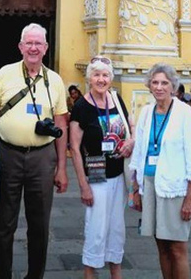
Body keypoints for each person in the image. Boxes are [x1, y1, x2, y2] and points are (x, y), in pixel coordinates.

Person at [0, 23, 69, 279]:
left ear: (45, 48)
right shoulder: (5, 74)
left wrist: (61, 169)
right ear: (20, 46)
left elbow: (61, 123)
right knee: (3, 223)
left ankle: (35, 276)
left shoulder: (54, 80)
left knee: (40, 224)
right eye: (28, 43)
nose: (33, 48)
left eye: (38, 43)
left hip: (42, 158)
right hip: (7, 155)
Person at [129, 64, 191, 279]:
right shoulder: (146, 112)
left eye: (164, 83)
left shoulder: (184, 113)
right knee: (161, 245)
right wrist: (136, 188)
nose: (159, 87)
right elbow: (140, 150)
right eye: (155, 82)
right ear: (149, 86)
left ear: (173, 87)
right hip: (150, 184)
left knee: (177, 248)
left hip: (174, 188)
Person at [69, 56, 134, 279]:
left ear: (110, 78)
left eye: (105, 75)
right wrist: (83, 186)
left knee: (117, 228)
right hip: (95, 173)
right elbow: (75, 149)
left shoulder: (117, 99)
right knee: (96, 228)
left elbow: (130, 126)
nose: (101, 79)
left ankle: (116, 272)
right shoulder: (81, 106)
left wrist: (131, 142)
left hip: (119, 173)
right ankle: (90, 273)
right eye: (96, 75)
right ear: (89, 78)